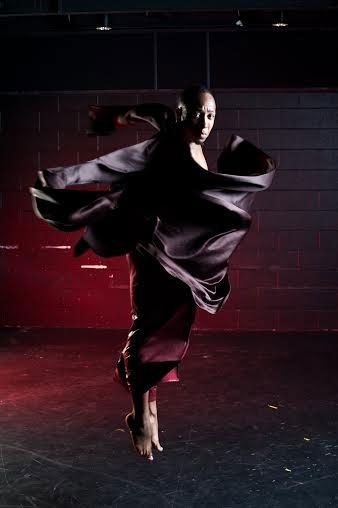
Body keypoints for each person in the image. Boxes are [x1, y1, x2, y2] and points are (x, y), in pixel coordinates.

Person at [30, 85, 276, 462]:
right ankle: (140, 415)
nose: (204, 123)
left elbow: (147, 111)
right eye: (196, 113)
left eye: (210, 115)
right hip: (151, 249)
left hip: (181, 254)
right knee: (148, 326)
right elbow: (108, 164)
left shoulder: (172, 121)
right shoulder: (163, 146)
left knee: (174, 325)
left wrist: (115, 116)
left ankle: (150, 402)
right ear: (182, 113)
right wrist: (59, 178)